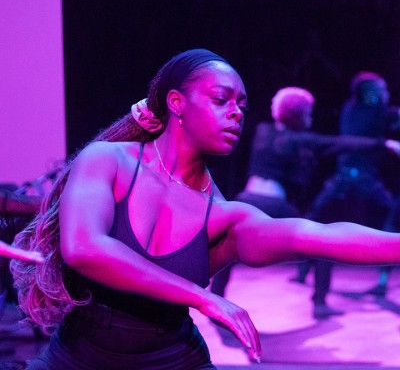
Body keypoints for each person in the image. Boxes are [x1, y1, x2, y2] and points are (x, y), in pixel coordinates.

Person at [9, 49, 400, 369]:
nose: (236, 112)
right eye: (221, 99)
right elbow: (85, 248)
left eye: (242, 105)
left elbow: (319, 236)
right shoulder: (107, 160)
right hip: (77, 360)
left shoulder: (224, 217)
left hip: (175, 361)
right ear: (176, 102)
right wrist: (204, 298)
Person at [210, 86, 400, 317]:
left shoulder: (262, 130)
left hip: (244, 200)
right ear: (298, 115)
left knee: (227, 249)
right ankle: (319, 303)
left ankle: (215, 300)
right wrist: (384, 144)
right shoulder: (301, 139)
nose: (310, 118)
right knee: (325, 245)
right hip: (274, 207)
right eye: (308, 113)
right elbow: (341, 143)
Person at [308, 70, 400, 306]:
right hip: (363, 180)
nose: (386, 93)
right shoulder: (377, 113)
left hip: (343, 178)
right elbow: (389, 115)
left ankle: (306, 281)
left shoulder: (351, 108)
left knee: (316, 224)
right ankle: (380, 282)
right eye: (382, 89)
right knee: (392, 224)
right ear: (370, 93)